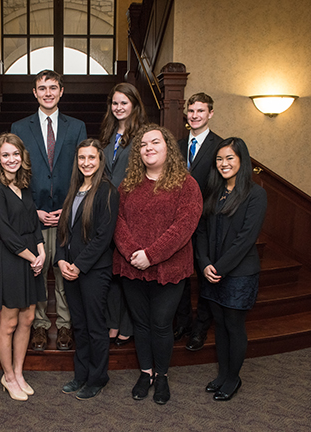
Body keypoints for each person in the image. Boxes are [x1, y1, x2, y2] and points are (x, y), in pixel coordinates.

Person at [113, 124, 202, 404]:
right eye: (143, 144)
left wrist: (150, 255)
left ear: (168, 148)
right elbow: (117, 222)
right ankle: (146, 372)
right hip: (131, 267)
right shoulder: (127, 185)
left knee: (161, 324)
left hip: (169, 269)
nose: (148, 148)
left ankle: (161, 376)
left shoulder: (187, 185)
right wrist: (132, 253)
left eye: (155, 142)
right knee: (141, 324)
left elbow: (184, 227)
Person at [11, 70, 87, 351]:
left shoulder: (76, 127)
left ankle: (65, 326)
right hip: (35, 215)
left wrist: (68, 208)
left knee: (65, 272)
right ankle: (40, 327)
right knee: (38, 272)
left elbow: (82, 169)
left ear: (61, 91)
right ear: (34, 92)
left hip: (67, 215)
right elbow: (16, 173)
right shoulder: (20, 128)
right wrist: (35, 211)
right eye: (42, 88)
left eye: (53, 87)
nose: (47, 93)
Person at [196, 138, 267, 401]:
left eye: (230, 158)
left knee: (234, 326)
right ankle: (223, 374)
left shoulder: (255, 194)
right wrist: (204, 263)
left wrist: (219, 268)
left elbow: (246, 240)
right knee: (221, 326)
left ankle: (233, 378)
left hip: (238, 274)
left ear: (242, 160)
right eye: (219, 159)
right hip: (211, 272)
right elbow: (201, 231)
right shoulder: (214, 192)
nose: (224, 164)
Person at [56, 139, 119, 400]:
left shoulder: (107, 191)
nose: (86, 162)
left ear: (100, 160)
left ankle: (97, 377)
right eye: (82, 158)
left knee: (95, 326)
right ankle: (80, 374)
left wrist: (79, 266)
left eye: (92, 158)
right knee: (78, 326)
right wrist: (60, 260)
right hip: (69, 269)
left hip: (94, 270)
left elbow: (103, 237)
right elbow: (64, 231)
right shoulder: (74, 189)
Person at [0, 133, 46, 401]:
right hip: (10, 259)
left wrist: (42, 251)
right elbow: (7, 233)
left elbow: (34, 224)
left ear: (23, 157)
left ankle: (19, 372)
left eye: (15, 154)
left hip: (31, 257)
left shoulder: (24, 185)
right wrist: (31, 256)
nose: (11, 159)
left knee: (28, 319)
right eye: (6, 155)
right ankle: (8, 376)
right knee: (8, 322)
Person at [174, 92, 223, 352]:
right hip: (180, 223)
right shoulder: (178, 146)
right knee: (181, 276)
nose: (195, 116)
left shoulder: (221, 146)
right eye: (191, 111)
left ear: (210, 113)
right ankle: (182, 323)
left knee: (204, 277)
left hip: (207, 223)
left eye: (200, 111)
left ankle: (200, 328)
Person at [99, 82, 148, 346]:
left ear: (134, 105)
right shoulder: (107, 135)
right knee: (112, 271)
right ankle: (112, 323)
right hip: (107, 210)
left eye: (124, 103)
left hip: (130, 212)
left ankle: (127, 324)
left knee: (129, 273)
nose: (118, 108)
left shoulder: (144, 136)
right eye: (115, 103)